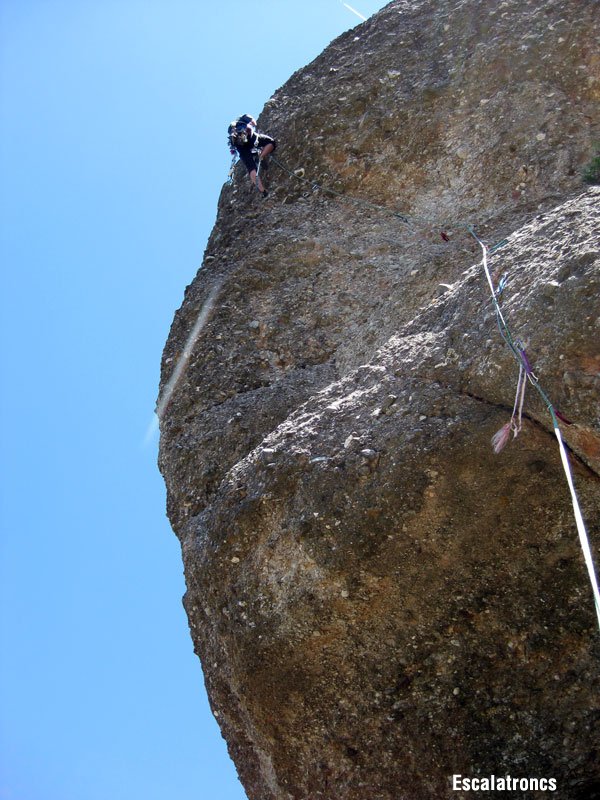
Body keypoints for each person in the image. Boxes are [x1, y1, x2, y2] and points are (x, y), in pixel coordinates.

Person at [228, 114, 277, 197]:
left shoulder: (232, 129)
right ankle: (261, 156)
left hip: (239, 145)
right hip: (249, 135)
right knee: (271, 142)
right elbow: (254, 123)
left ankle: (263, 191)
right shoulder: (244, 117)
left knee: (251, 168)